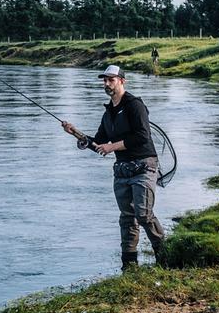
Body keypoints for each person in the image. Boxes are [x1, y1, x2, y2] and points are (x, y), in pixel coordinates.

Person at [61, 64, 166, 271]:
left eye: (111, 79)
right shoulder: (108, 112)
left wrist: (112, 146)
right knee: (127, 217)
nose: (107, 83)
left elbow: (142, 136)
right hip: (122, 171)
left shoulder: (135, 105)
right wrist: (75, 132)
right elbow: (99, 144)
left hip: (145, 166)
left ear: (122, 81)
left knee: (144, 214)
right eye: (105, 80)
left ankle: (165, 257)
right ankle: (129, 266)